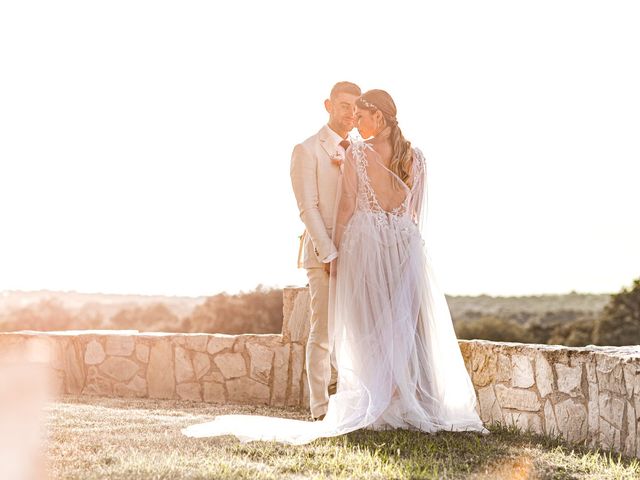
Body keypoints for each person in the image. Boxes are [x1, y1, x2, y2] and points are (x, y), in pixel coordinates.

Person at [182, 89, 488, 444]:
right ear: (330, 106)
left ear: (379, 116)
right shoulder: (412, 157)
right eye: (349, 111)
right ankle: (369, 403)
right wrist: (340, 251)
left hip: (365, 249)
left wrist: (342, 252)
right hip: (403, 246)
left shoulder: (358, 152)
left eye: (360, 114)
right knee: (399, 326)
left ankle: (384, 403)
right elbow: (410, 214)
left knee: (371, 327)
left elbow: (345, 208)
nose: (354, 121)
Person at [290, 81, 361, 420]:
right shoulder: (307, 150)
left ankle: (351, 404)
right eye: (344, 105)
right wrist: (330, 254)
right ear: (328, 105)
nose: (351, 113)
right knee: (323, 334)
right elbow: (308, 207)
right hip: (324, 256)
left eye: (355, 107)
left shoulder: (363, 150)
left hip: (360, 255)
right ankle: (319, 410)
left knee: (355, 334)